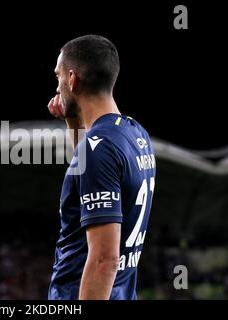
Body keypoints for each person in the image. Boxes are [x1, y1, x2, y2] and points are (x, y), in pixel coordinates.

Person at [47, 35, 156, 300]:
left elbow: (104, 260)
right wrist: (72, 121)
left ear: (72, 80)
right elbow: (89, 167)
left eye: (58, 77)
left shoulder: (99, 147)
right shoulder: (135, 133)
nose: (58, 86)